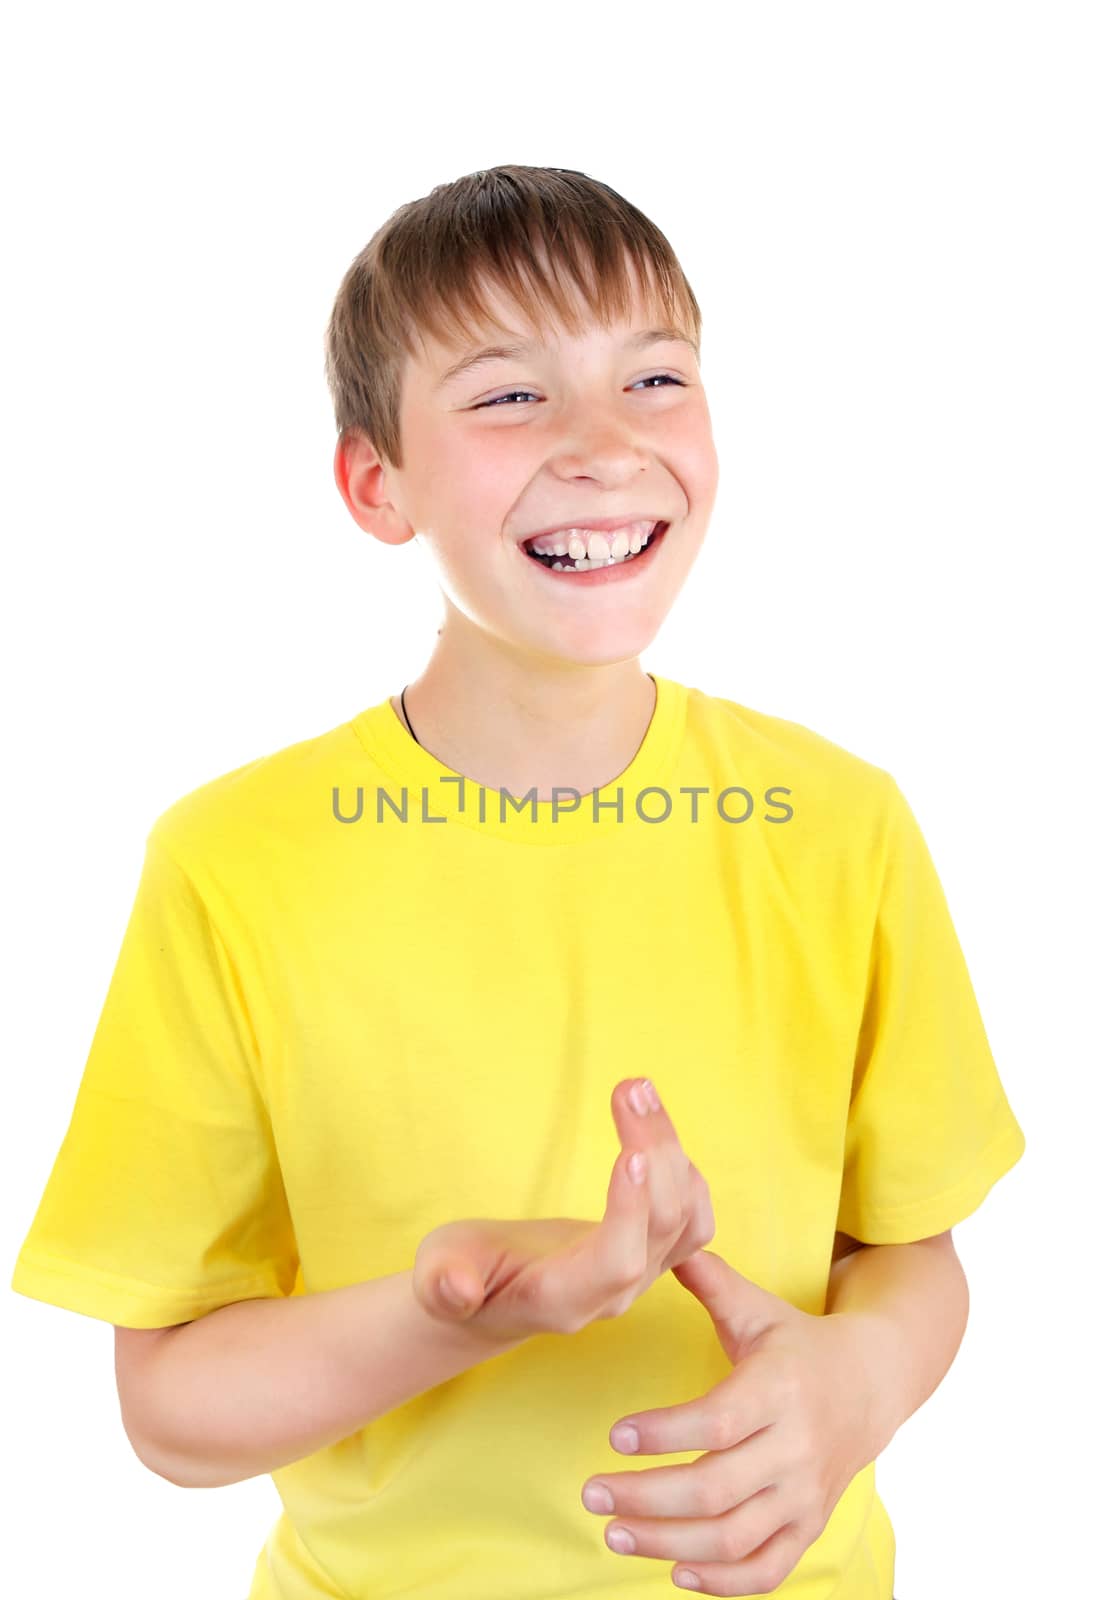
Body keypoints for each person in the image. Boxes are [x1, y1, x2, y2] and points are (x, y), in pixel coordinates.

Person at [11, 164, 1024, 1599]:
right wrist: (458, 1310)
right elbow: (171, 1415)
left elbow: (910, 1256)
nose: (604, 447)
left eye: (653, 378)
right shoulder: (234, 863)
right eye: (508, 396)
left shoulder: (838, 823)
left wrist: (856, 1380)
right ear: (377, 483)